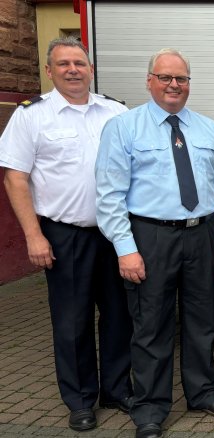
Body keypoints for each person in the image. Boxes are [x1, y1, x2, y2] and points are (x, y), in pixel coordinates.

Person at [95, 48, 214, 438]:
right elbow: (109, 194)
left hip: (203, 233)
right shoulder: (124, 128)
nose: (174, 85)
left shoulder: (208, 129)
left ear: (189, 84)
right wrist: (125, 248)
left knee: (202, 321)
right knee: (151, 326)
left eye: (181, 78)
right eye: (165, 77)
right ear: (149, 81)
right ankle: (149, 408)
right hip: (150, 236)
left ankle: (203, 393)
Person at [0, 37, 133, 432]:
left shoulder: (116, 111)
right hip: (64, 234)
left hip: (114, 233)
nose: (73, 69)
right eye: (63, 64)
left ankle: (116, 389)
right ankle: (79, 400)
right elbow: (15, 179)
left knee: (118, 316)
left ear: (91, 68)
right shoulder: (32, 116)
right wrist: (33, 236)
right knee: (71, 321)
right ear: (49, 70)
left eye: (79, 62)